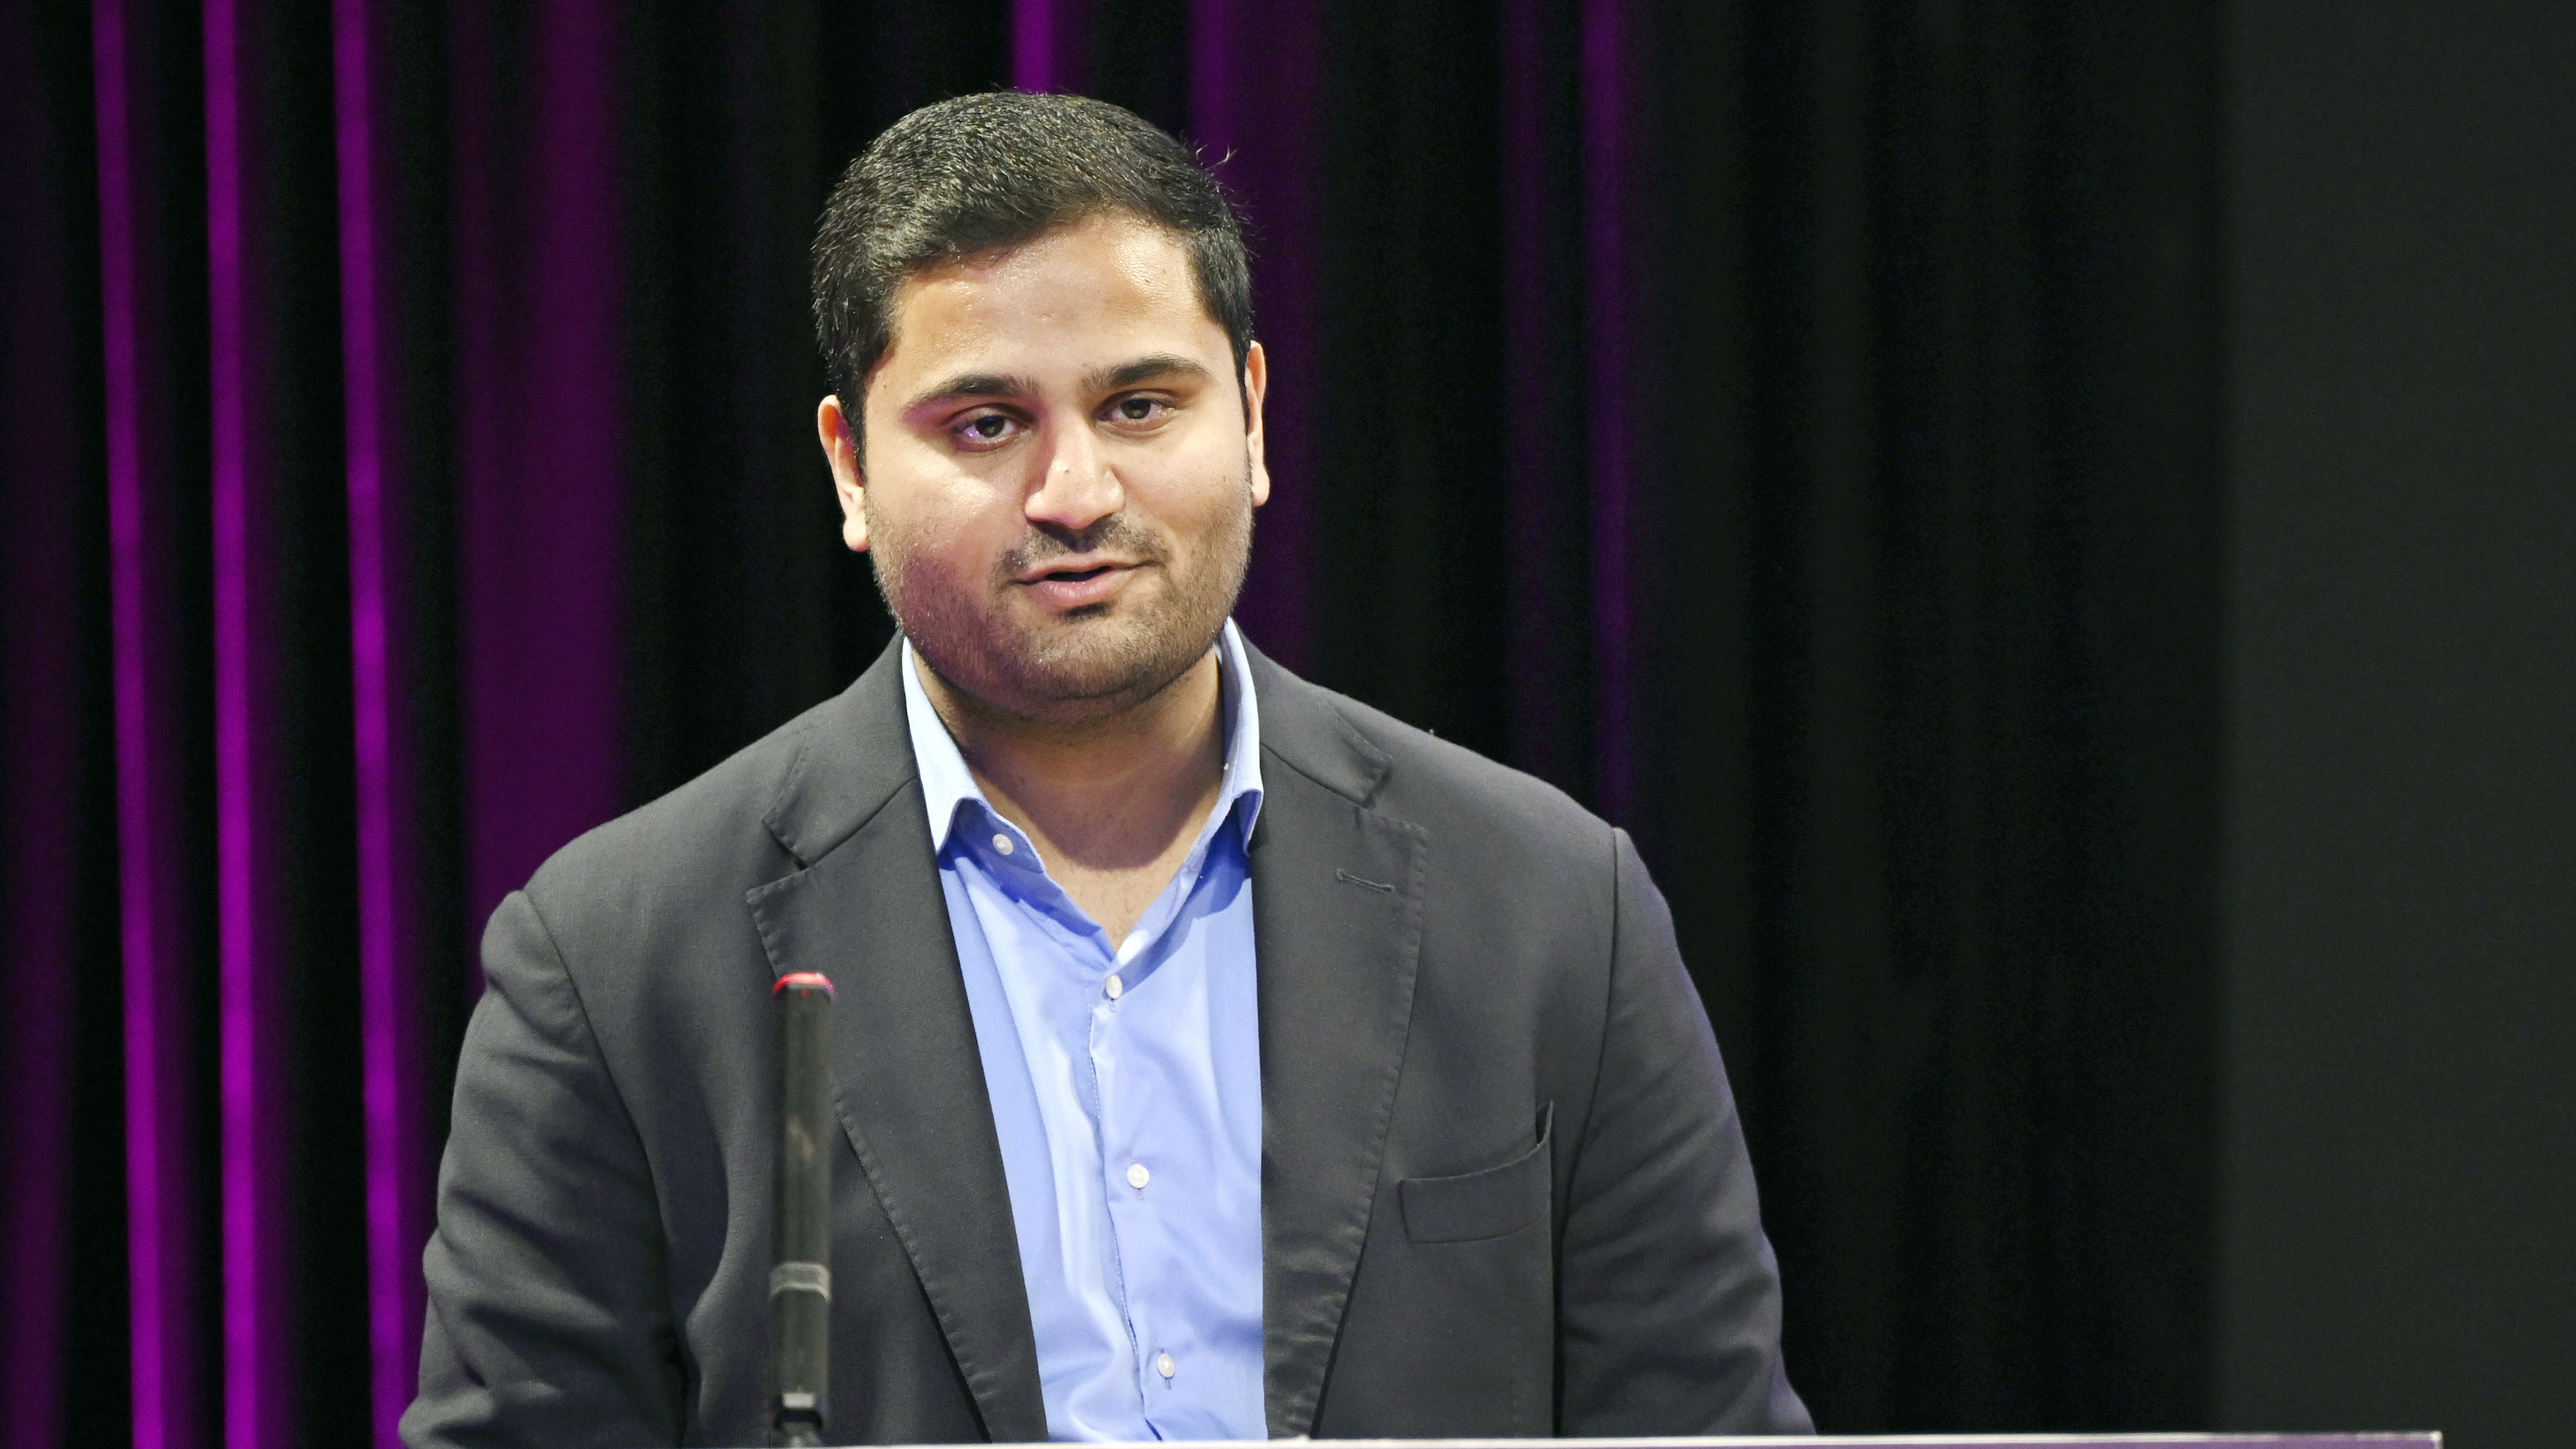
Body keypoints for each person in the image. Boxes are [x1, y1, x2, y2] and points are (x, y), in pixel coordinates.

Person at [405, 92, 1811, 1448]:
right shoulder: (613, 959)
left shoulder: (1554, 909)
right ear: (848, 469)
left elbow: (1706, 1436)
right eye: (985, 424)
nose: (1076, 494)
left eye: (1141, 406)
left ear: (1252, 419)